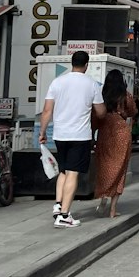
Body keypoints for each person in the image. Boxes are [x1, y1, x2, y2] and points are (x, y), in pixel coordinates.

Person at [39, 50, 104, 228]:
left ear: (71, 63)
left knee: (64, 171)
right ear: (86, 65)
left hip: (60, 135)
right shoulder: (92, 84)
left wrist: (42, 132)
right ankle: (64, 215)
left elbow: (47, 111)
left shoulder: (57, 82)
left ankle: (58, 204)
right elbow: (100, 112)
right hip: (80, 136)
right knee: (73, 173)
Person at [93, 68, 136, 218]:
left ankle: (103, 197)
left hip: (105, 133)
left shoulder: (101, 96)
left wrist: (92, 135)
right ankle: (113, 209)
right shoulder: (126, 96)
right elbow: (132, 111)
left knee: (104, 166)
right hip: (121, 133)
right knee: (120, 170)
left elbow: (95, 118)